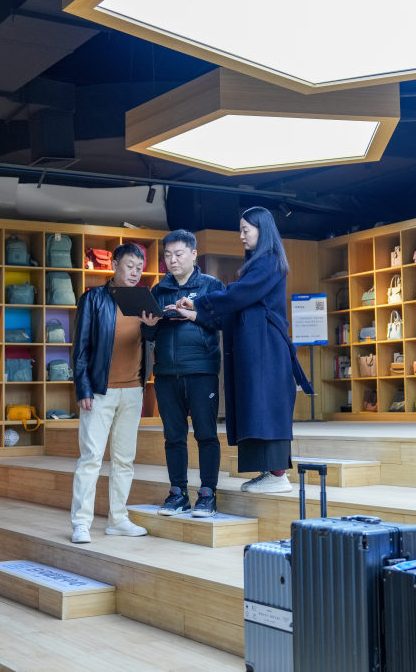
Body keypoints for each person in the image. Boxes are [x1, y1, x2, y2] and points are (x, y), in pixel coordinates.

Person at [174, 207, 313, 493]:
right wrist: (196, 314)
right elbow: (236, 308)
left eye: (245, 230)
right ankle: (269, 472)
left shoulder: (270, 261)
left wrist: (200, 303)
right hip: (258, 348)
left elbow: (238, 295)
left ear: (262, 229)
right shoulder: (260, 263)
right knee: (255, 405)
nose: (241, 236)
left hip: (267, 349)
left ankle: (278, 475)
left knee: (265, 407)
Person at [70, 243, 159, 543]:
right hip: (99, 392)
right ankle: (81, 523)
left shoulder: (145, 300)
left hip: (133, 391)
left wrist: (150, 328)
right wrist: (83, 387)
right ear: (115, 265)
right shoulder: (93, 298)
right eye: (129, 266)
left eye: (139, 268)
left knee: (124, 460)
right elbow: (80, 348)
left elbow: (148, 341)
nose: (134, 272)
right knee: (91, 458)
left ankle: (118, 519)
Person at [144, 230, 224, 517]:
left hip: (201, 370)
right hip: (166, 372)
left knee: (206, 434)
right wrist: (150, 324)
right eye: (167, 255)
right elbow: (148, 335)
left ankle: (208, 494)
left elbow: (222, 321)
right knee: (173, 436)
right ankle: (177, 493)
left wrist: (192, 314)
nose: (172, 260)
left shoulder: (211, 285)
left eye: (178, 254)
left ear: (193, 254)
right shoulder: (158, 290)